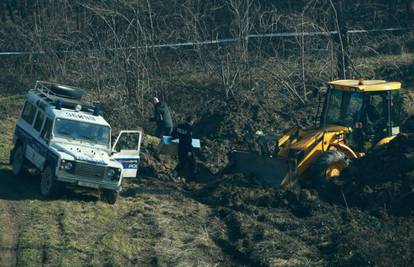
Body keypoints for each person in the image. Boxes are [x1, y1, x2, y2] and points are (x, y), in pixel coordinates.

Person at [170, 115, 197, 181]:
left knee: (183, 162)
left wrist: (178, 138)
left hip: (180, 147)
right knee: (193, 163)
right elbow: (189, 140)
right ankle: (191, 178)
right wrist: (189, 151)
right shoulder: (189, 128)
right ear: (192, 121)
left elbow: (173, 135)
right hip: (186, 148)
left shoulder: (179, 126)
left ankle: (174, 174)